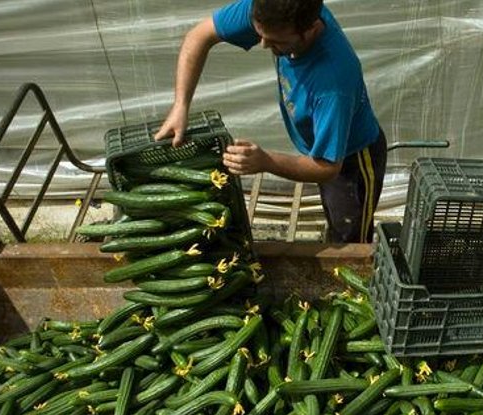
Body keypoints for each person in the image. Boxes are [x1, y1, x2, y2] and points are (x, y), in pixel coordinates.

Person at [155, 0, 387, 243]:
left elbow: (327, 167)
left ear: (310, 28)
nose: (264, 44)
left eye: (276, 41)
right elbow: (198, 36)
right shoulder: (268, 8)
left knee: (349, 241)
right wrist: (181, 105)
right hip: (323, 149)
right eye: (259, 34)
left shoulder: (333, 83)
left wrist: (265, 161)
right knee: (335, 224)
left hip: (353, 159)